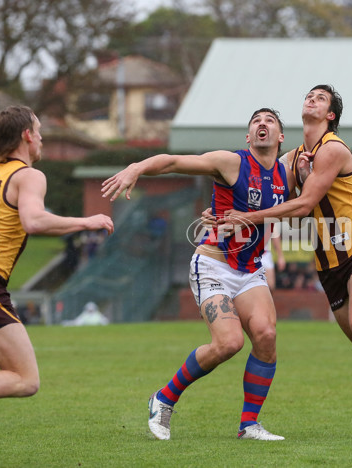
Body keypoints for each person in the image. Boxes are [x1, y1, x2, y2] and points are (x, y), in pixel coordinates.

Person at [217, 85, 352, 436]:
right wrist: (222, 214)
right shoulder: (291, 158)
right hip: (328, 263)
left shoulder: (332, 148)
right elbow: (268, 198)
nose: (311, 100)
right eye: (309, 95)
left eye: (321, 99)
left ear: (330, 115)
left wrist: (246, 218)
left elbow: (301, 206)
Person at [101, 108, 292, 441]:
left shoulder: (288, 172)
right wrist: (137, 167)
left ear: (281, 137)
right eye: (256, 121)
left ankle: (249, 425)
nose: (262, 124)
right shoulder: (230, 162)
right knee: (229, 343)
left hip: (249, 270)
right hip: (213, 263)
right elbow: (174, 162)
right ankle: (163, 398)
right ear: (248, 136)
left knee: (266, 335)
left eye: (270, 121)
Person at [0, 105, 114, 401]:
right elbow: (34, 220)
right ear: (27, 135)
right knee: (25, 379)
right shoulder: (28, 176)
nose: (41, 139)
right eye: (38, 132)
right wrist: (86, 221)